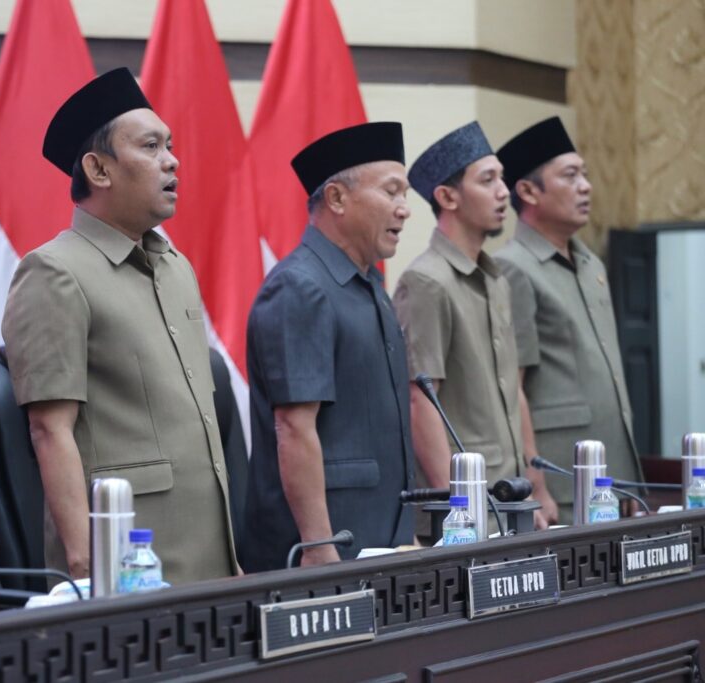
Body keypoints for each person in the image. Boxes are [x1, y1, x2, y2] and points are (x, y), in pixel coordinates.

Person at [2, 68, 238, 585]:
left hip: (209, 558)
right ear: (98, 169)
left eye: (170, 145)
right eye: (151, 146)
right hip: (125, 565)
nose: (172, 161)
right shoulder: (54, 271)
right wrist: (87, 565)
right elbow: (49, 429)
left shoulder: (177, 267)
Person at [242, 122, 416, 571]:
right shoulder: (300, 287)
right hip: (325, 548)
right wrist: (317, 544)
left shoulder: (369, 285)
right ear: (337, 198)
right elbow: (294, 427)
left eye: (405, 194)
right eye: (392, 192)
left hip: (382, 536)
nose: (405, 210)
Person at [392, 122, 557, 539]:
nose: (504, 191)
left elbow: (512, 387)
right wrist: (461, 510)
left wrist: (533, 482)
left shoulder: (495, 277)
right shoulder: (426, 281)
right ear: (447, 197)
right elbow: (420, 401)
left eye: (502, 178)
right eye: (488, 180)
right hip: (466, 513)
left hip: (509, 496)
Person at [496, 117, 644, 524]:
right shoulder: (513, 268)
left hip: (613, 475)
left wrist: (628, 477)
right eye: (570, 175)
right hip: (562, 482)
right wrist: (536, 482)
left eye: (585, 174)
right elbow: (514, 387)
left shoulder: (589, 262)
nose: (586, 186)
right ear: (527, 191)